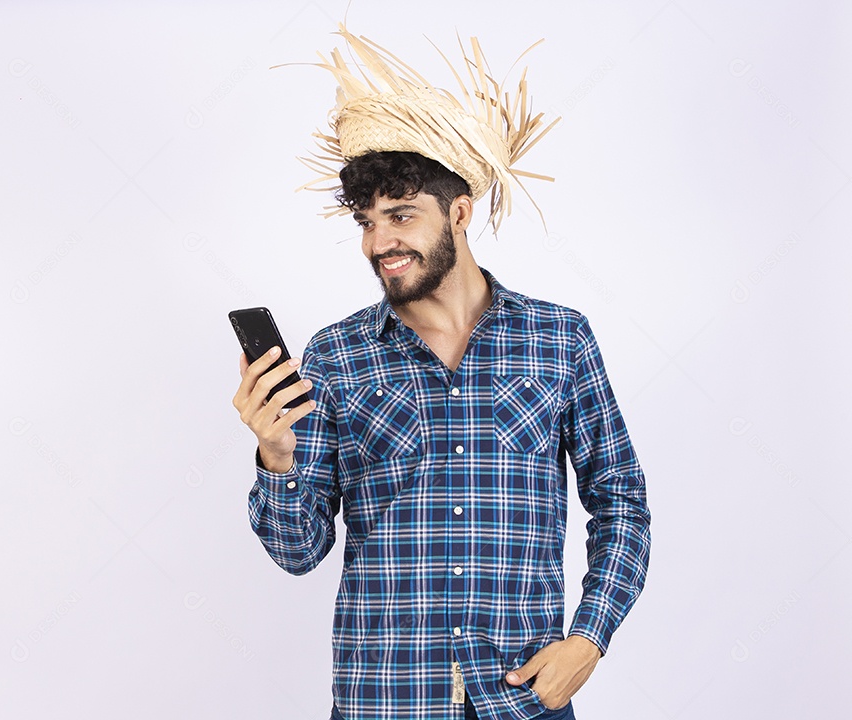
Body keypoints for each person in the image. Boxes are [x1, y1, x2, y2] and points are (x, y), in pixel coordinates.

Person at [232, 25, 651, 720]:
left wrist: (590, 637)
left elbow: (622, 501)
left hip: (521, 700)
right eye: (367, 222)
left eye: (400, 216)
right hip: (383, 702)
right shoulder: (338, 354)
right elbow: (299, 552)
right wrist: (275, 456)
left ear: (459, 212)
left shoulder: (559, 339)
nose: (379, 242)